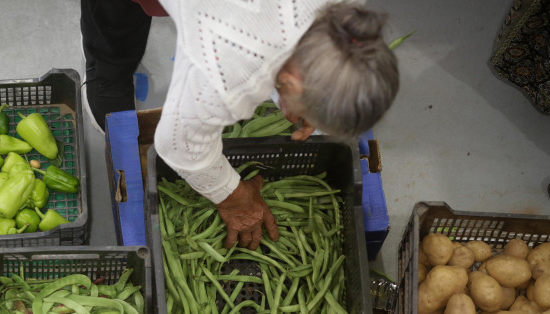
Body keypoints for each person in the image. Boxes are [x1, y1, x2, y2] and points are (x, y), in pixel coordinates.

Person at [81, 0, 399, 250]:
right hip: (230, 32)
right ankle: (106, 67)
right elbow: (177, 144)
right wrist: (235, 199)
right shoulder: (226, 68)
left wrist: (304, 102)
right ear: (288, 80)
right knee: (116, 14)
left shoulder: (347, 13)